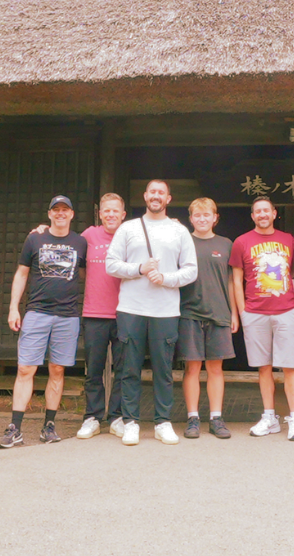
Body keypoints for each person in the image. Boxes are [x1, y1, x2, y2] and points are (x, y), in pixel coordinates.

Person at [106, 180, 197, 446]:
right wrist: (139, 269)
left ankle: (162, 422)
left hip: (166, 310)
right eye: (152, 192)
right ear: (145, 196)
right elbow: (111, 265)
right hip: (131, 309)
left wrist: (166, 277)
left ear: (168, 198)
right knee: (129, 368)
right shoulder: (128, 228)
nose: (156, 196)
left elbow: (191, 270)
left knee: (163, 369)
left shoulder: (179, 231)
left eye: (161, 193)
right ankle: (130, 421)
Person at [0, 195, 87, 449]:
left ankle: (49, 425)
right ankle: (15, 427)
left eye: (65, 210)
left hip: (68, 316)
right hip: (36, 312)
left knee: (58, 370)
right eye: (55, 210)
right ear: (49, 214)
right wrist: (14, 308)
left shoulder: (81, 242)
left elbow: (88, 274)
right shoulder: (35, 238)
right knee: (26, 369)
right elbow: (22, 273)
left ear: (71, 214)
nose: (60, 214)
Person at [229, 196, 294, 441]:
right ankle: (269, 417)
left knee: (290, 366)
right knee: (264, 367)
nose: (262, 214)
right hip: (255, 312)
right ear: (252, 216)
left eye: (266, 210)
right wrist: (241, 312)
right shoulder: (241, 242)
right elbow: (236, 280)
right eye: (257, 211)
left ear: (274, 213)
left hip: (285, 310)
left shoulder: (289, 241)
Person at [178, 197, 236, 440]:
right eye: (197, 215)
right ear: (191, 219)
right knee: (192, 367)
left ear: (215, 217)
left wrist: (234, 312)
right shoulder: (182, 242)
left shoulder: (226, 244)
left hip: (219, 312)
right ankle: (192, 417)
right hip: (188, 312)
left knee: (216, 367)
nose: (202, 219)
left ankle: (216, 417)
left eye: (207, 215)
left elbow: (232, 281)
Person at [75, 193, 127, 440]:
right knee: (93, 369)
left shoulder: (130, 235)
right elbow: (81, 267)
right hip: (94, 312)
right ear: (100, 214)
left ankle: (117, 417)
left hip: (125, 312)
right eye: (106, 210)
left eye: (115, 210)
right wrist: (42, 229)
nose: (110, 215)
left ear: (123, 214)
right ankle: (92, 417)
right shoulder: (88, 236)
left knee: (123, 368)